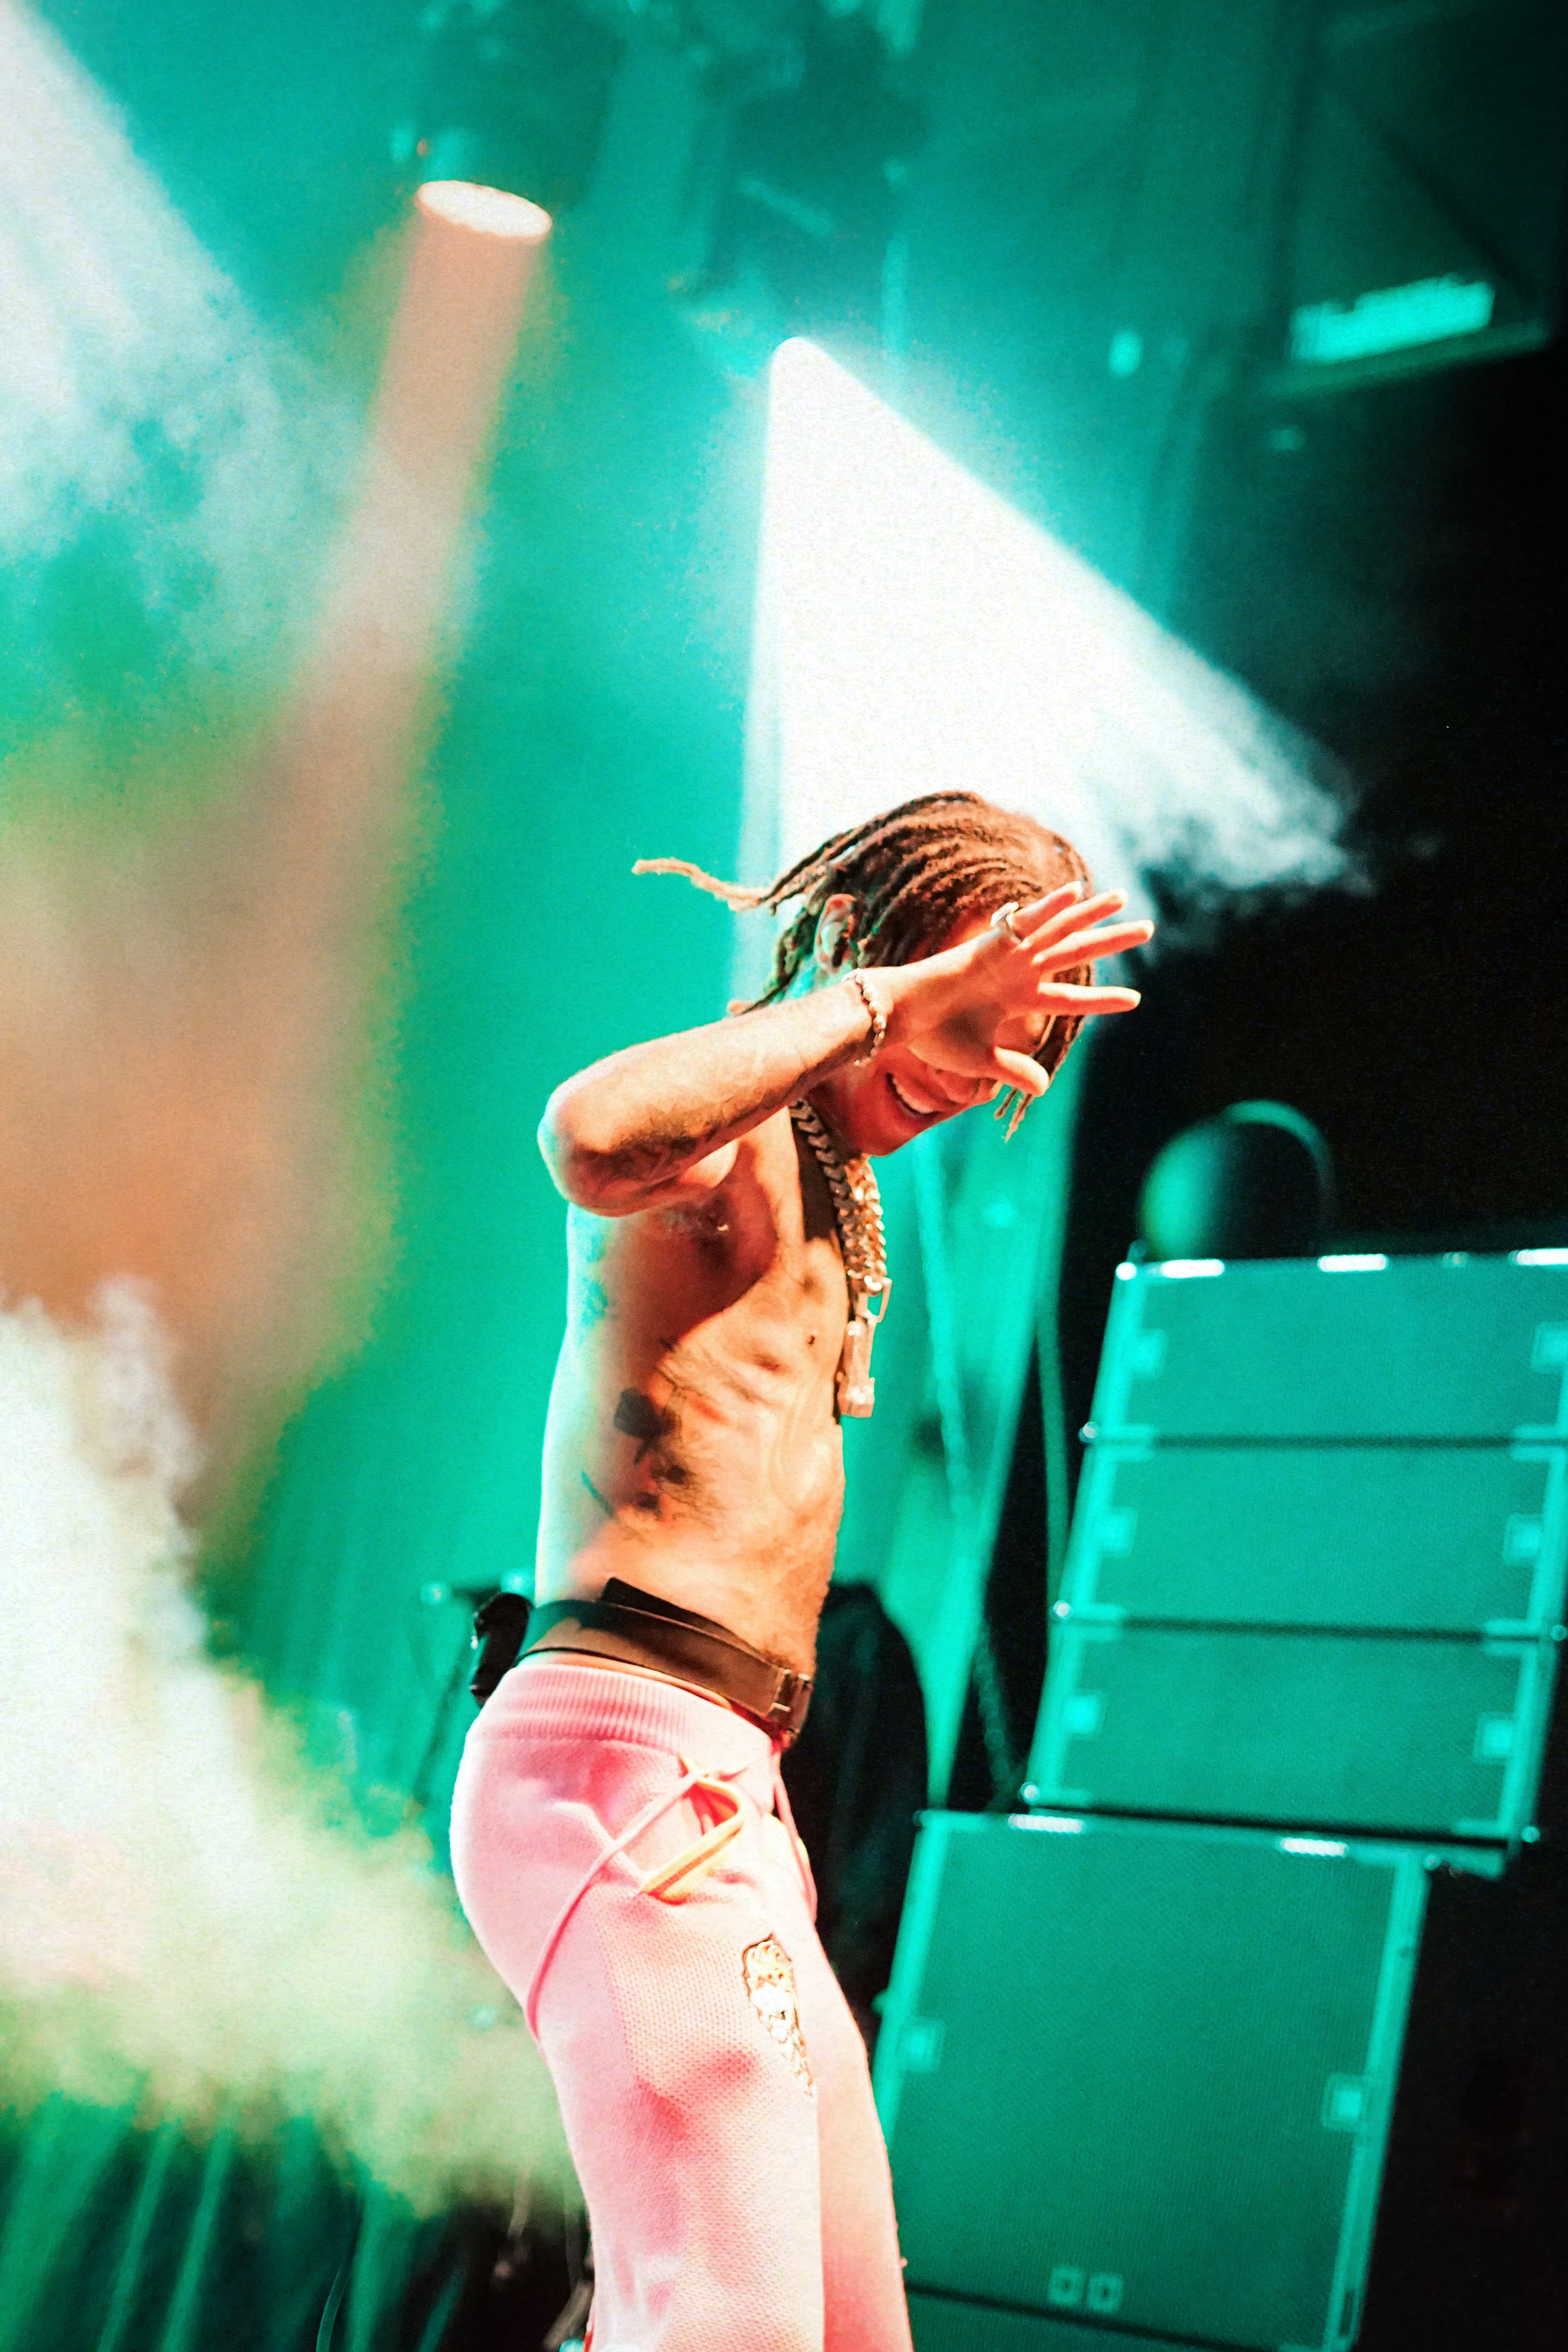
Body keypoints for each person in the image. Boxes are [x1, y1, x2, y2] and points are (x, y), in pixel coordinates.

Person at [450, 790, 1151, 2352]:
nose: (975, 1067)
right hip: (620, 1767)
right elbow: (585, 1134)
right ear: (867, 940)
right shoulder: (736, 1120)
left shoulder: (844, 1175)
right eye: (968, 1009)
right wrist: (889, 1006)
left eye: (1017, 1046)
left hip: (728, 1795)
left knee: (846, 2323)